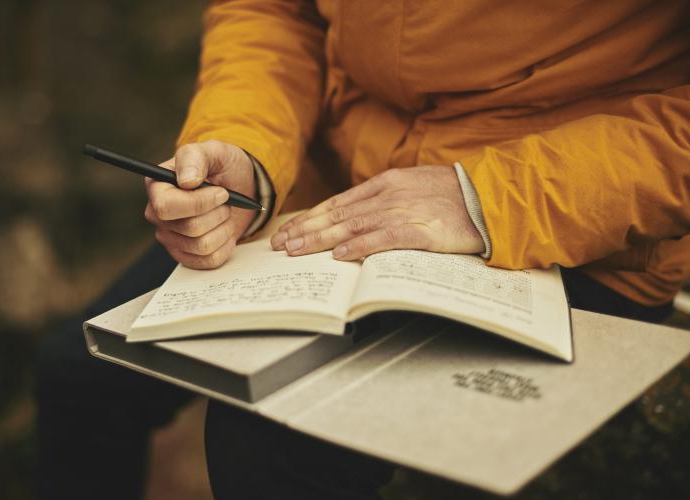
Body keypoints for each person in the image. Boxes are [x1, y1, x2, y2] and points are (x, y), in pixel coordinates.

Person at [36, 1, 690, 498]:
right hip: (334, 187)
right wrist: (245, 146)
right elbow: (271, 11)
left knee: (269, 445)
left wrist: (487, 196)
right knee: (80, 375)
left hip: (571, 225)